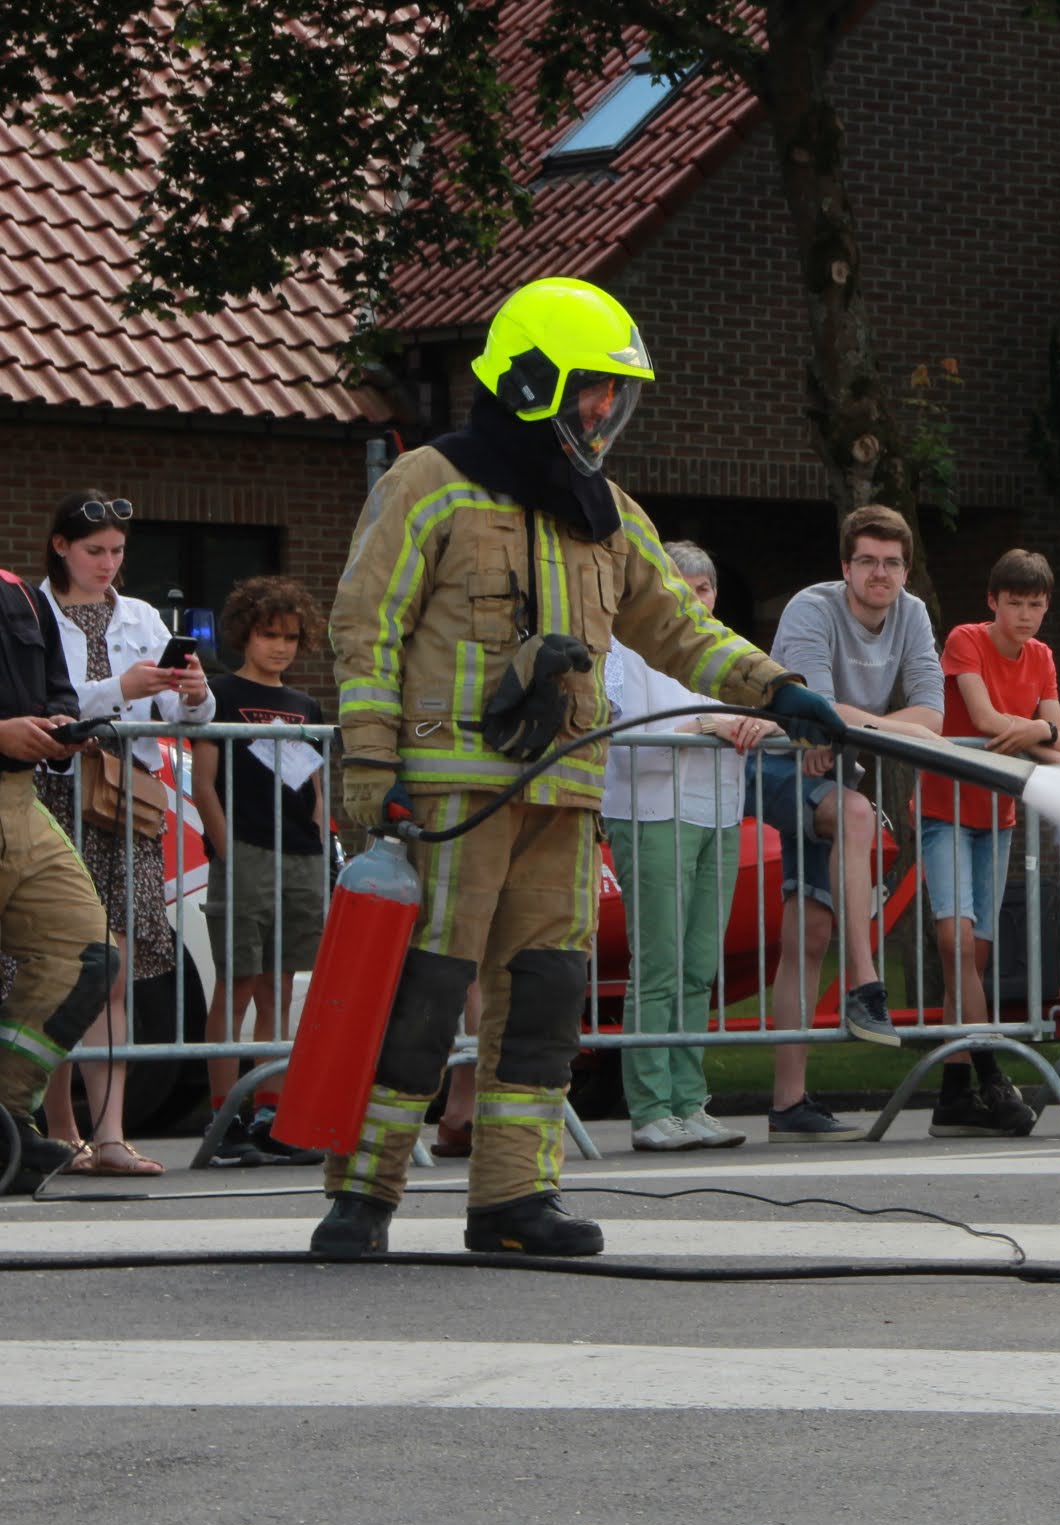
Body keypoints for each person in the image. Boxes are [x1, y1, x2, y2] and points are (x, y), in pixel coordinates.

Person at [313, 276, 828, 1261]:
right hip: (452, 795)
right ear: (532, 381)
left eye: (613, 393)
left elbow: (678, 626)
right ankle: (364, 1195)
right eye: (592, 388)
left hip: (565, 792)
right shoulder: (429, 483)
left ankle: (514, 1199)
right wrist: (372, 763)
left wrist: (775, 688)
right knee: (422, 996)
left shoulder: (606, 512)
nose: (603, 411)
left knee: (545, 998)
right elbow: (365, 626)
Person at [36, 490, 215, 1178]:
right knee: (57, 969)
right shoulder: (30, 610)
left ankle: (110, 1133)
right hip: (53, 793)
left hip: (122, 803)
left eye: (116, 551)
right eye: (94, 551)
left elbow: (186, 716)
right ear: (60, 547)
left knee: (113, 971)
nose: (107, 563)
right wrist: (121, 687)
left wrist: (194, 692)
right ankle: (60, 1126)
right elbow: (37, 705)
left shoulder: (140, 614)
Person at [756, 503, 943, 1142]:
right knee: (859, 812)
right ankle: (866, 980)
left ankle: (788, 1105)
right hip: (773, 760)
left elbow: (932, 714)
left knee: (808, 933)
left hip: (833, 769)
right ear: (845, 567)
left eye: (892, 563)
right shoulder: (811, 608)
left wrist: (854, 732)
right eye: (867, 561)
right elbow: (814, 708)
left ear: (906, 570)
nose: (880, 573)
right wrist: (862, 729)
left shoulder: (912, 615)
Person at [918, 549, 1060, 1137]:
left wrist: (1041, 730)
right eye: (1014, 603)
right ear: (993, 601)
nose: (1025, 615)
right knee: (956, 942)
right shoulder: (966, 639)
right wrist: (1041, 731)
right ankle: (991, 1075)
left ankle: (953, 1095)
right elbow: (985, 720)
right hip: (945, 809)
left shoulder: (1042, 656)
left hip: (997, 815)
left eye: (1036, 604)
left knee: (971, 957)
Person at [602, 541, 757, 1153]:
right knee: (659, 964)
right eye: (684, 587)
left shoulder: (726, 650)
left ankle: (690, 1102)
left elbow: (765, 713)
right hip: (651, 812)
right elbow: (623, 740)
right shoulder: (624, 650)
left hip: (717, 813)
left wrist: (759, 722)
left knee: (698, 968)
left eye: (705, 588)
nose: (697, 598)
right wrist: (706, 726)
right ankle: (649, 1108)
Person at [191, 576, 329, 1161]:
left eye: (291, 638)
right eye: (270, 634)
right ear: (245, 634)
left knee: (279, 985)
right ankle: (225, 1117)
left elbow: (316, 786)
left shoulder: (306, 706)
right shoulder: (219, 693)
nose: (280, 647)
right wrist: (227, 850)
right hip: (244, 850)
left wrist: (318, 839)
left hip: (300, 855)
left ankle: (273, 1111)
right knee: (238, 983)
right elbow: (203, 784)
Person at [0, 559, 118, 1193]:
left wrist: (62, 726)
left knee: (86, 953)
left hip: (20, 799)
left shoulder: (19, 593)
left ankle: (5, 1120)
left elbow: (58, 687)